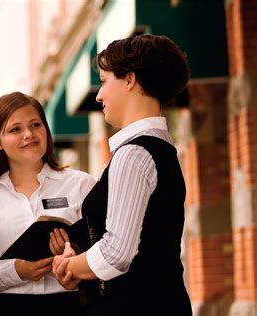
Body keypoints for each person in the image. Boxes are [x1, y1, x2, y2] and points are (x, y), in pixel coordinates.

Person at [52, 34, 192, 315]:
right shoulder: (158, 147)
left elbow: (116, 254)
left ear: (129, 80)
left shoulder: (133, 153)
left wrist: (70, 265)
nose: (99, 94)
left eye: (104, 81)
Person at [0, 91, 96, 316]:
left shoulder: (82, 185)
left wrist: (74, 254)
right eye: (15, 129)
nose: (29, 134)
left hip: (71, 305)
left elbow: (107, 251)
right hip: (3, 309)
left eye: (35, 125)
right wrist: (17, 271)